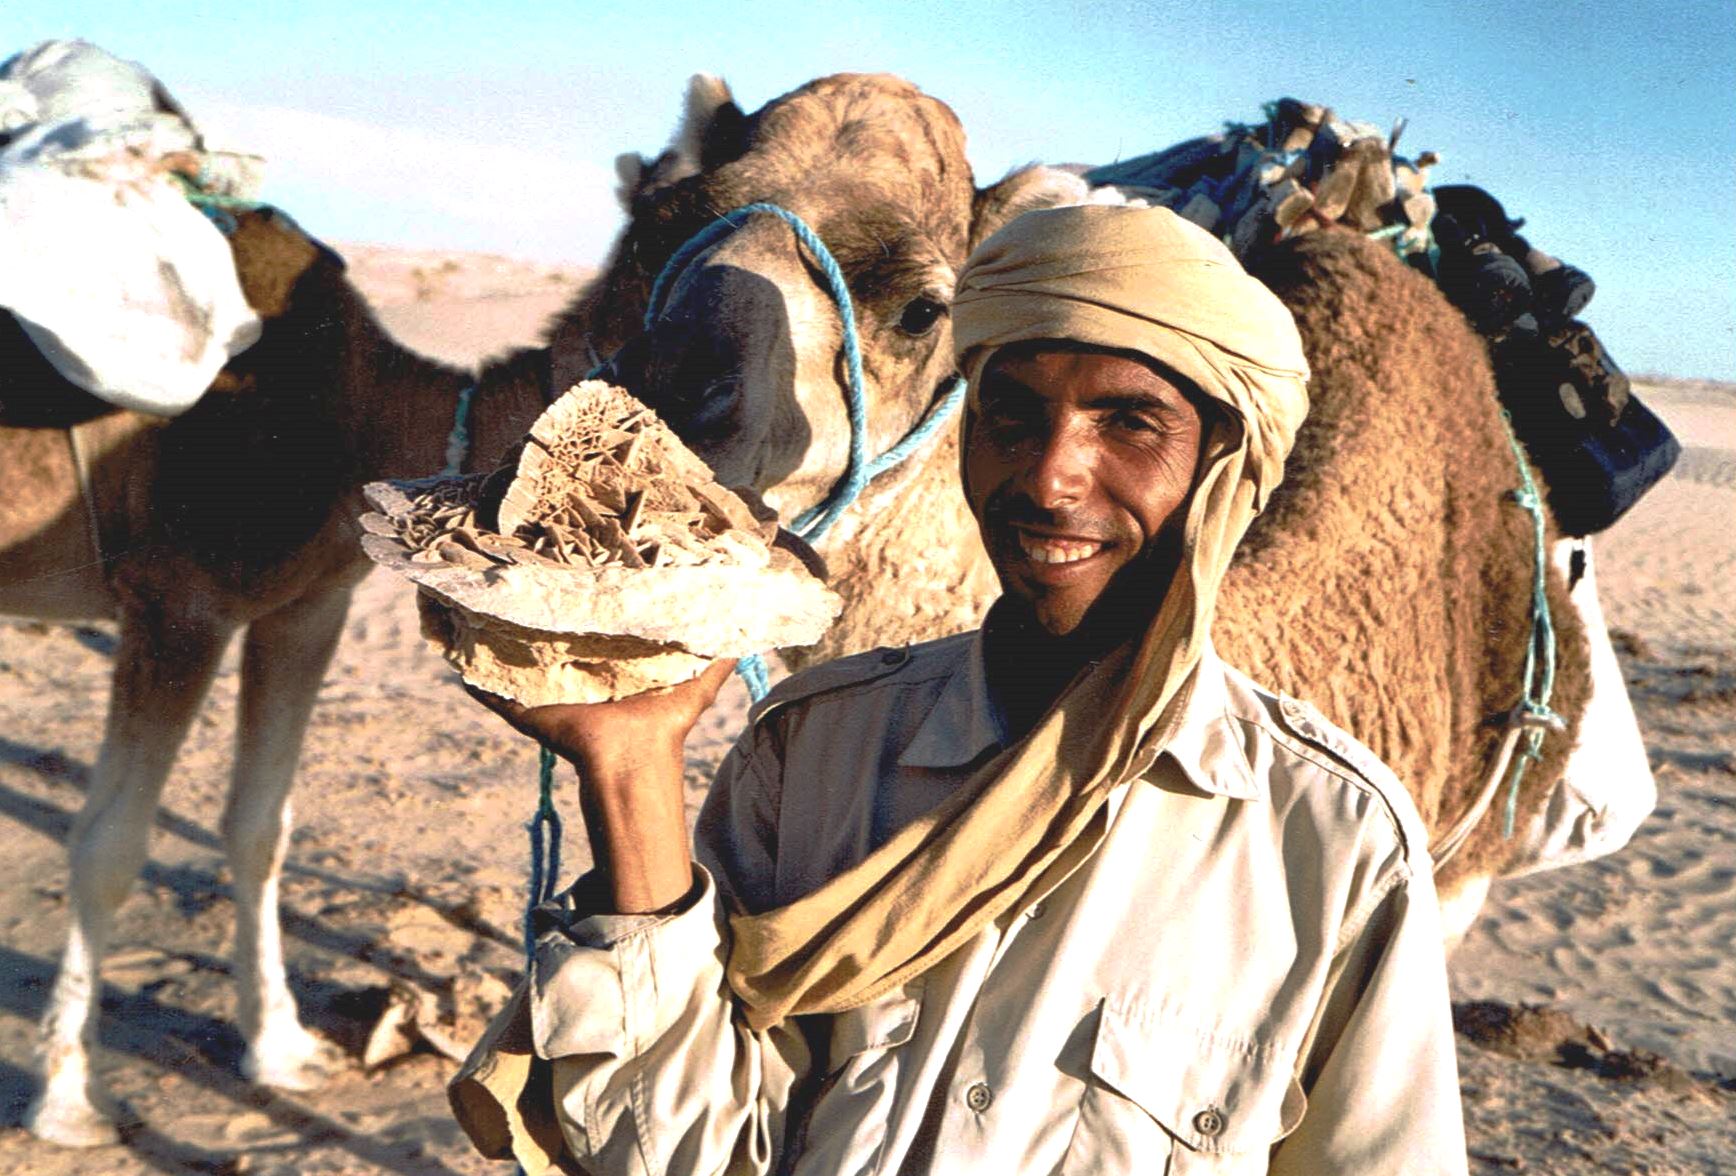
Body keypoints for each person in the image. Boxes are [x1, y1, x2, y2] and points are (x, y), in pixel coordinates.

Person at [451, 204, 1469, 1175]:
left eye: (1128, 424)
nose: (1047, 477)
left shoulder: (1330, 842)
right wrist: (628, 772)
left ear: (1221, 471)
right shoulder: (812, 749)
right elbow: (684, 1155)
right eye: (1011, 415)